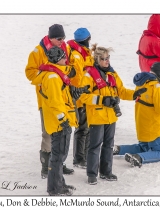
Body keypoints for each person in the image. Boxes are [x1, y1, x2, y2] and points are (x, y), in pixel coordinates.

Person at [79, 44, 146, 185]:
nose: (107, 61)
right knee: (95, 146)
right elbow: (82, 97)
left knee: (109, 145)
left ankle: (106, 171)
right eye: (103, 59)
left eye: (108, 58)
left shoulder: (112, 74)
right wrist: (102, 100)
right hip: (97, 116)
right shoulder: (88, 75)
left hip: (111, 116)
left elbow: (121, 91)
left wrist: (134, 94)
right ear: (97, 60)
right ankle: (92, 174)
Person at [25, 24, 74, 178]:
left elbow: (69, 65)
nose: (62, 41)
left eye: (64, 38)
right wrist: (48, 71)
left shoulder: (65, 48)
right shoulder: (38, 51)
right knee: (48, 133)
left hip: (62, 98)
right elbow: (30, 73)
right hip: (46, 99)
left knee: (62, 133)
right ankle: (46, 167)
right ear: (51, 37)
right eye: (59, 38)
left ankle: (59, 163)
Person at [31, 46, 78, 196]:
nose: (66, 60)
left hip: (57, 122)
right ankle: (54, 189)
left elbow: (60, 98)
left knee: (59, 156)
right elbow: (55, 102)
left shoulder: (54, 75)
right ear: (58, 60)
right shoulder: (53, 78)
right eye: (64, 57)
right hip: (58, 124)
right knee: (57, 157)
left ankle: (59, 184)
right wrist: (63, 121)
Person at [113, 62, 160, 167]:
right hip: (154, 126)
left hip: (142, 123)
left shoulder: (141, 82)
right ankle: (139, 158)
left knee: (143, 147)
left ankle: (118, 149)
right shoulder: (157, 86)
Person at [67, 28, 94, 169]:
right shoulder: (77, 55)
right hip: (80, 96)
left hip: (85, 94)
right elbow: (77, 77)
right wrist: (81, 91)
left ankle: (84, 156)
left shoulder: (81, 52)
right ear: (87, 39)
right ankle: (79, 159)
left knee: (86, 126)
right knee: (82, 128)